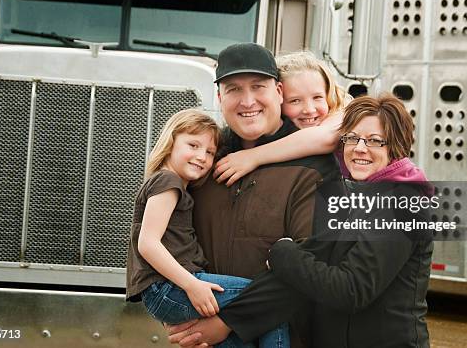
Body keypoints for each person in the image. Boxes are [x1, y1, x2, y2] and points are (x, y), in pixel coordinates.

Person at [171, 94, 433, 347]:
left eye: (375, 141)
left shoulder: (402, 205)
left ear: (396, 146)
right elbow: (316, 275)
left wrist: (282, 253)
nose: (360, 148)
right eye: (353, 138)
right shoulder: (358, 193)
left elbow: (351, 290)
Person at [168, 43, 341, 347]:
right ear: (220, 98)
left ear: (278, 91)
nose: (247, 101)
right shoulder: (202, 164)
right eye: (234, 89)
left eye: (258, 86)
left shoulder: (316, 169)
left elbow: (314, 267)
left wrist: (228, 322)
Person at [125, 109, 290, 347]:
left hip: (168, 289)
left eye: (209, 152)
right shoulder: (167, 181)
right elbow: (148, 243)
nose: (201, 156)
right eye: (193, 145)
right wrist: (192, 285)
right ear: (170, 143)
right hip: (169, 287)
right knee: (266, 300)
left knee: (237, 337)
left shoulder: (178, 186)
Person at [214, 51, 349, 186]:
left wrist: (252, 156)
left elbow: (327, 138)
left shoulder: (340, 117)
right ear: (278, 98)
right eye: (295, 100)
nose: (309, 110)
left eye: (318, 97)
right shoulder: (222, 143)